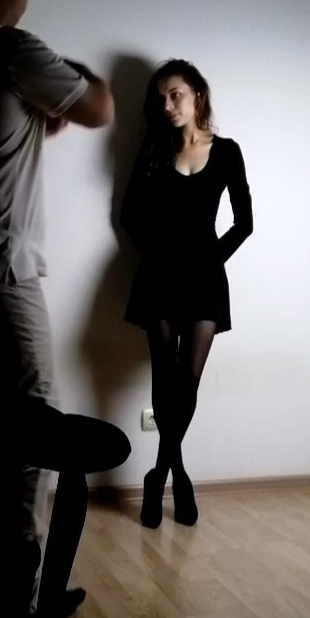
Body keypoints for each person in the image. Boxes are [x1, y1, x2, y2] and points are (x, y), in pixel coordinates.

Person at [0, 0, 115, 618]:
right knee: (29, 439)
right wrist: (65, 76)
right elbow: (99, 106)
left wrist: (34, 108)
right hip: (4, 276)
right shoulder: (10, 48)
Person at [120, 59, 253, 529]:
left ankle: (160, 472)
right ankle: (175, 474)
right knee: (164, 377)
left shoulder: (228, 151)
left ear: (197, 94)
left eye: (174, 94)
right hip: (158, 276)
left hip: (204, 279)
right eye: (160, 98)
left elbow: (244, 223)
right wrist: (158, 253)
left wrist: (210, 259)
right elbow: (129, 215)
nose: (167, 104)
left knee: (187, 382)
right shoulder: (154, 149)